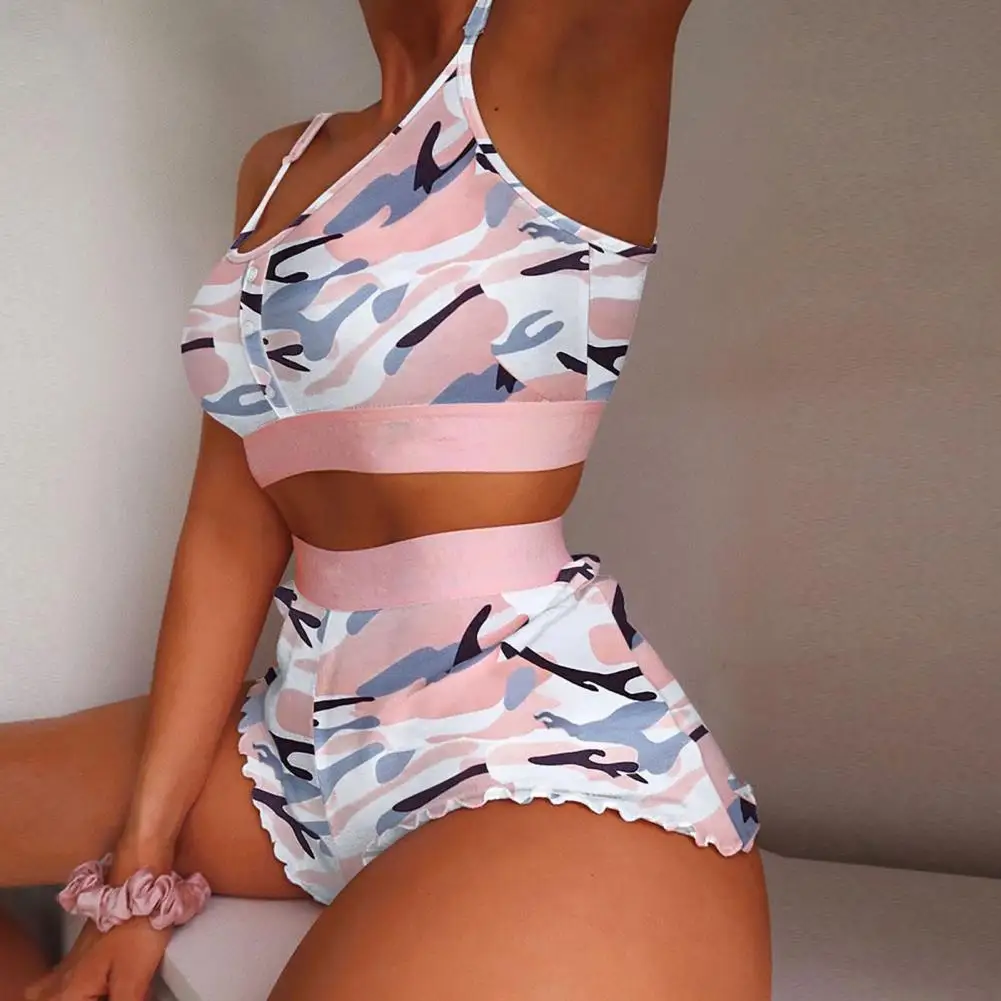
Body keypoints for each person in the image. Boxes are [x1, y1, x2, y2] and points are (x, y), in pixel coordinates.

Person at [3, 1, 770, 998]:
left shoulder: (557, 58)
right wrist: (137, 871)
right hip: (295, 745)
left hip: (533, 754)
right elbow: (232, 526)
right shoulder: (280, 163)